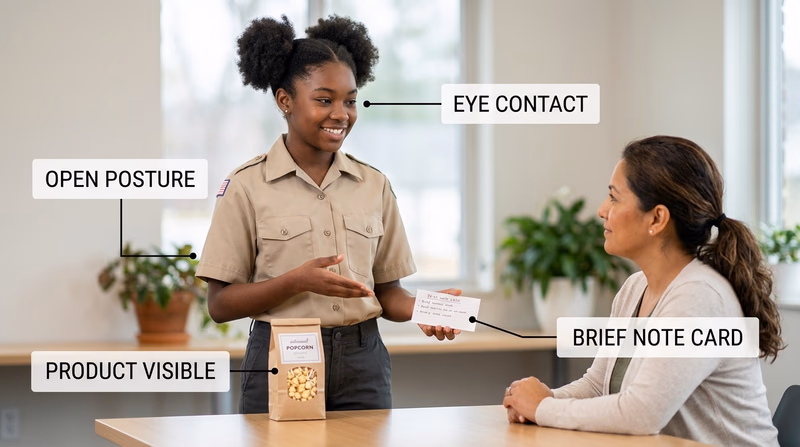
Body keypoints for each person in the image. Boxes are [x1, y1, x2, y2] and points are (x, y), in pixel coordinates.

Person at [196, 14, 460, 414]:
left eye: (350, 101)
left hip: (363, 361)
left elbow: (388, 294)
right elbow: (220, 305)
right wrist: (295, 282)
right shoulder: (246, 186)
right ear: (285, 100)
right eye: (324, 100)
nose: (342, 114)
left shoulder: (374, 185)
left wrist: (426, 309)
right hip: (282, 355)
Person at [502, 136, 782, 446]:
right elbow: (598, 386)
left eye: (614, 198)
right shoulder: (636, 287)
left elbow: (642, 414)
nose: (601, 210)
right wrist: (541, 400)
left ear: (657, 218)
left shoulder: (700, 297)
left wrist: (543, 408)